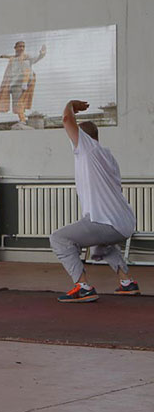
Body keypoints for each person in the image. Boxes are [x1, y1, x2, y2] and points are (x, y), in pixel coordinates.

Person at [49, 100, 139, 302]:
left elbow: (66, 119)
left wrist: (70, 105)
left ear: (84, 138)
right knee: (101, 245)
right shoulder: (108, 156)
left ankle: (83, 287)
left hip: (106, 222)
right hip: (124, 223)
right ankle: (127, 282)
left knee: (59, 239)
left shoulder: (88, 150)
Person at [0, 41, 46, 126]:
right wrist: (5, 56)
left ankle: (23, 120)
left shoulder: (27, 57)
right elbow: (14, 57)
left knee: (20, 102)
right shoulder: (13, 59)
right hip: (15, 85)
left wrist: (42, 54)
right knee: (18, 103)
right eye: (20, 46)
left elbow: (36, 58)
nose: (22, 48)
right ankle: (22, 118)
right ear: (15, 48)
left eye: (23, 46)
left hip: (26, 83)